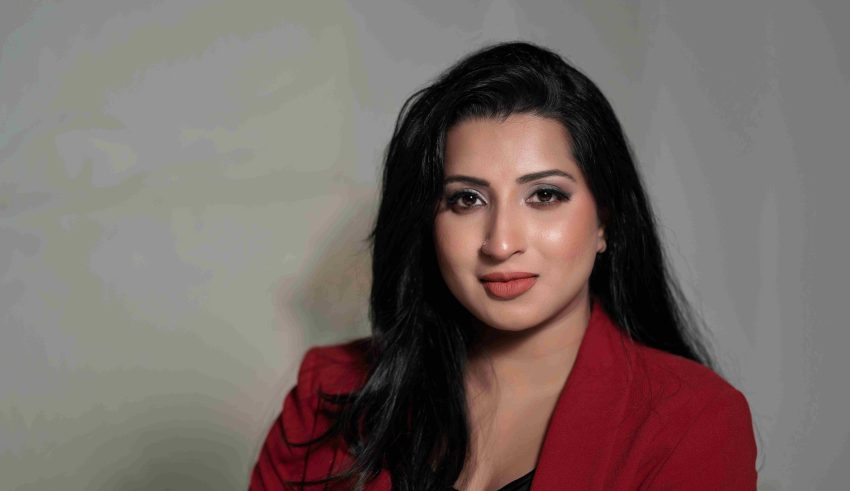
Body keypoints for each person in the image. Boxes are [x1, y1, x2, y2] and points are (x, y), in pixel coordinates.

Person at [250, 41, 757, 490]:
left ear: (604, 220)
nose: (501, 242)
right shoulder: (329, 393)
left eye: (544, 195)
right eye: (467, 199)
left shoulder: (691, 421)